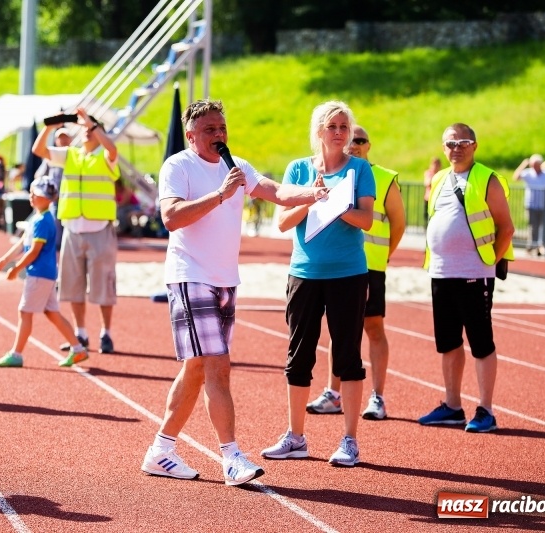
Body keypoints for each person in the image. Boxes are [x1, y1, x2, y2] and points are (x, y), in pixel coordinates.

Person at [140, 99, 328, 486]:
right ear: (191, 135)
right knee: (217, 366)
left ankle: (160, 450)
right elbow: (172, 217)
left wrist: (313, 193)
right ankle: (232, 457)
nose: (219, 135)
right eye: (209, 130)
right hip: (190, 275)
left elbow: (274, 191)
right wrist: (221, 195)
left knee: (196, 368)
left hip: (226, 279)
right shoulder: (178, 166)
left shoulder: (237, 166)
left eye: (222, 128)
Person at [259, 101, 374, 467]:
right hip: (304, 274)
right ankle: (295, 437)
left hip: (348, 274)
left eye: (344, 126)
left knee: (348, 359)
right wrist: (311, 197)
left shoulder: (359, 170)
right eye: (332, 126)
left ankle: (350, 440)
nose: (339, 132)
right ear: (319, 131)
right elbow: (282, 222)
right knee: (299, 356)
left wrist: (340, 205)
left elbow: (368, 220)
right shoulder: (298, 169)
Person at [418, 123, 514, 433]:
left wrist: (488, 263)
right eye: (450, 143)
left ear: (474, 145)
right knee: (448, 343)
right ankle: (452, 406)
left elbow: (506, 228)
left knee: (481, 343)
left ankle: (486, 410)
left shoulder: (488, 179)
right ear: (443, 147)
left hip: (474, 275)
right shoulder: (440, 178)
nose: (456, 147)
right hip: (442, 273)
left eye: (463, 142)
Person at [305, 124, 405, 421]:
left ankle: (378, 396)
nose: (355, 144)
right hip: (338, 265)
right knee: (339, 331)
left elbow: (398, 224)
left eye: (360, 140)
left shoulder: (384, 178)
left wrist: (384, 256)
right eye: (351, 139)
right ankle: (333, 393)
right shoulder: (334, 173)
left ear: (368, 145)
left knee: (373, 328)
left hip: (369, 266)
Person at [32, 109, 119, 354]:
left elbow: (112, 150)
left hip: (100, 229)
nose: (85, 133)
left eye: (89, 130)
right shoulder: (71, 155)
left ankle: (106, 333)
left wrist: (93, 125)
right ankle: (81, 332)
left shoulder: (105, 156)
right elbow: (40, 151)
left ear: (97, 132)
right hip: (72, 230)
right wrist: (50, 126)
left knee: (103, 286)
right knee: (73, 285)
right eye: (83, 130)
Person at [0, 177, 89, 368]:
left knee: (25, 312)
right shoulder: (38, 218)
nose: (32, 196)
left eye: (36, 194)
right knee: (52, 312)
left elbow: (34, 251)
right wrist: (5, 259)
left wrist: (16, 269)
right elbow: (23, 243)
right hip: (45, 273)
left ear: (46, 198)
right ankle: (78, 349)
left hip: (40, 274)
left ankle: (16, 354)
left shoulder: (43, 221)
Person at [513, 153, 545, 256]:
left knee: (543, 227)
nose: (534, 167)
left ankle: (542, 247)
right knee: (533, 227)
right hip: (531, 205)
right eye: (532, 165)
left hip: (544, 205)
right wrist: (523, 164)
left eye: (536, 165)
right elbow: (516, 177)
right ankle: (532, 246)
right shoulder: (528, 173)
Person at [423, 156, 441, 224]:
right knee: (427, 216)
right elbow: (428, 183)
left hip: (437, 198)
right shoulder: (429, 173)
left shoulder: (441, 173)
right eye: (434, 164)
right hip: (428, 198)